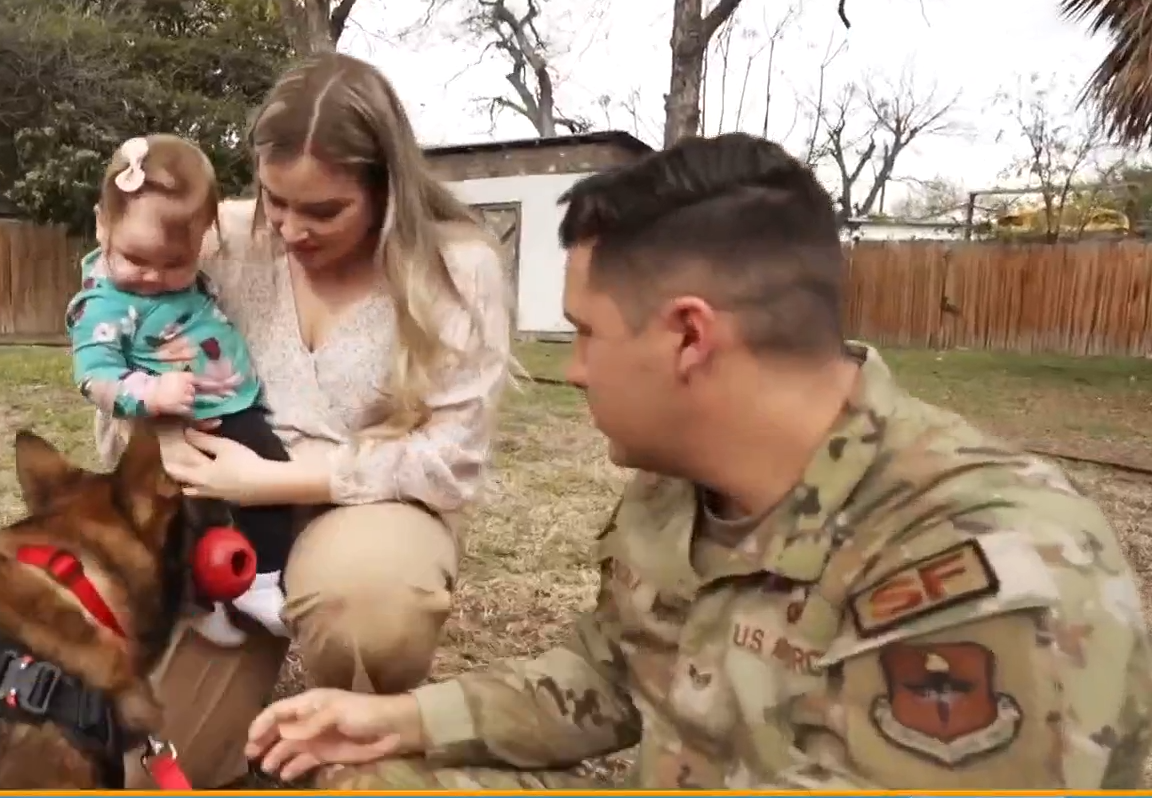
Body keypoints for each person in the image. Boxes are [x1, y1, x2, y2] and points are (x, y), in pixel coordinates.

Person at [239, 132, 1152, 790]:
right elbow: (610, 671)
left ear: (686, 337)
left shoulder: (989, 574)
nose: (578, 370)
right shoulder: (677, 490)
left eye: (588, 333)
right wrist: (398, 719)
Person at [91, 53, 514, 788]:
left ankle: (361, 738)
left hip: (371, 508)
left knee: (368, 604)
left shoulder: (456, 268)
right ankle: (234, 643)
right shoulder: (223, 238)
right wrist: (150, 410)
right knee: (136, 768)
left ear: (386, 186)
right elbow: (114, 277)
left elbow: (453, 456)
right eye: (274, 199)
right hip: (227, 515)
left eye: (323, 211)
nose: (289, 228)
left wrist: (277, 479)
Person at [66, 133, 296, 637]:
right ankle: (253, 585)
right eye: (136, 259)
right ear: (102, 225)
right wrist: (147, 394)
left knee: (240, 501)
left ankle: (216, 597)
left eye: (176, 263)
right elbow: (92, 374)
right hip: (185, 421)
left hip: (231, 401)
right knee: (201, 512)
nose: (153, 276)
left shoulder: (177, 261)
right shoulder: (102, 305)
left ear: (203, 242)